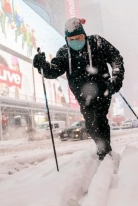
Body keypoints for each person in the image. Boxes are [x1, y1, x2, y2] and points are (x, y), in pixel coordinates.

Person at [33, 17, 125, 160]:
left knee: (99, 119)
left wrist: (116, 78)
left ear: (84, 35)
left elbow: (115, 58)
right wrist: (43, 65)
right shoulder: (64, 52)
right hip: (82, 95)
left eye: (79, 37)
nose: (76, 41)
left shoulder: (97, 42)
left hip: (103, 89)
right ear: (66, 40)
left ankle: (104, 151)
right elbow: (54, 70)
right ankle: (103, 148)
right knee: (90, 124)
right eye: (72, 39)